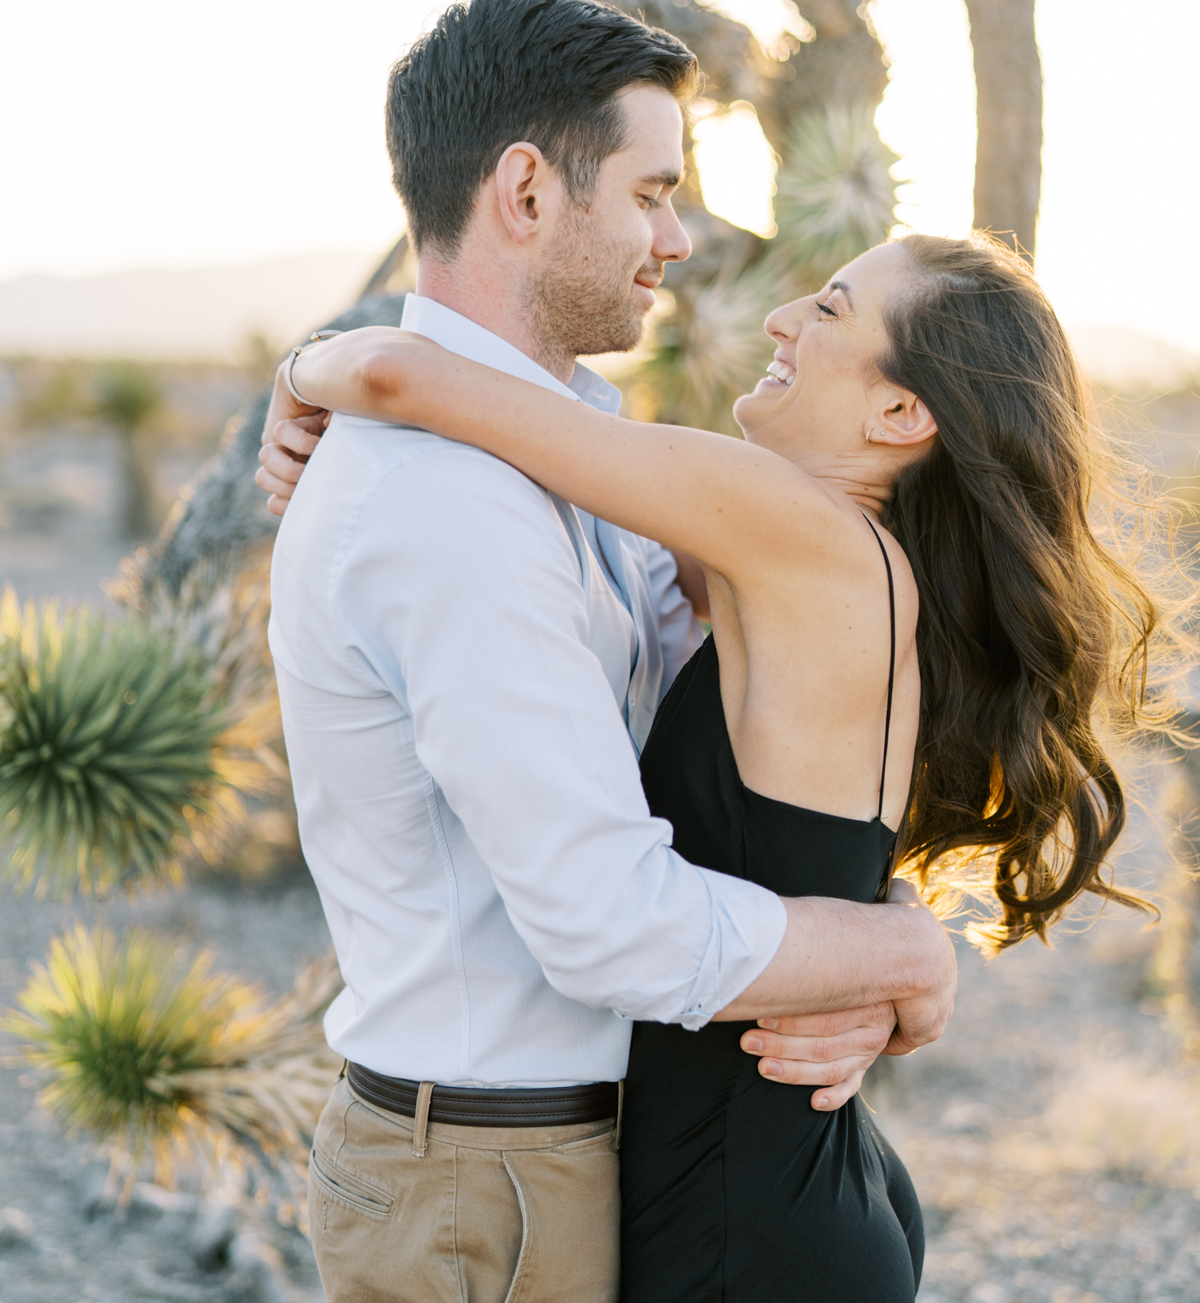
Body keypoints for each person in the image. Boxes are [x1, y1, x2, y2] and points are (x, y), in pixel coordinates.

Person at [264, 227, 1163, 1302]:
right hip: (788, 1190)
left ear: (900, 414)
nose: (783, 319)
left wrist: (300, 371)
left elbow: (389, 371)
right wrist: (900, 950)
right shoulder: (826, 563)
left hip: (742, 1223)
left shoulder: (795, 530)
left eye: (830, 309)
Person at [258, 0, 957, 1303]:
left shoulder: (560, 470)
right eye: (650, 192)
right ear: (526, 194)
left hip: (565, 1149)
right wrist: (896, 952)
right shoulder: (446, 501)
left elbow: (721, 769)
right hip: (485, 1182)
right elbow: (614, 930)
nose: (680, 239)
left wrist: (881, 941)